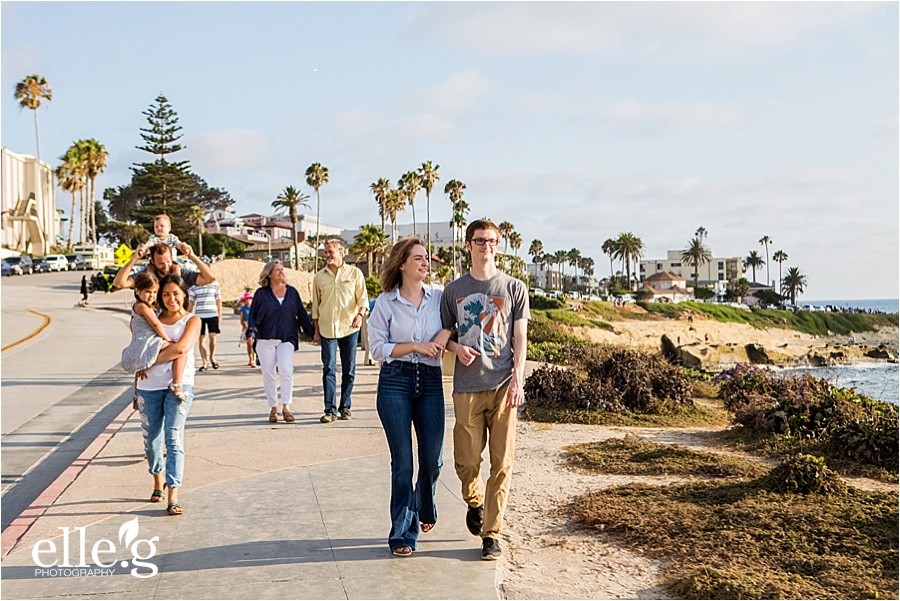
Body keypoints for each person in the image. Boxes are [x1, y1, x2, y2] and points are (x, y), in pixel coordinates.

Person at [440, 218, 530, 561]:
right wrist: (456, 348)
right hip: (467, 387)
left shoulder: (514, 288)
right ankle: (473, 499)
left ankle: (492, 533)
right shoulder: (453, 290)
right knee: (466, 460)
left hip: (504, 385)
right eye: (479, 241)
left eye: (492, 241)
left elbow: (520, 337)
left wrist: (519, 379)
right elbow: (443, 334)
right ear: (468, 245)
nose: (486, 246)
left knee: (502, 462)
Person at [367, 238, 447, 557]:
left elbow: (452, 326)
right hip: (394, 382)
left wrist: (440, 339)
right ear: (402, 264)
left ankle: (424, 505)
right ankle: (402, 532)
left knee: (432, 460)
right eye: (418, 258)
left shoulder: (439, 297)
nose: (424, 263)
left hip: (429, 380)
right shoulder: (386, 302)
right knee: (403, 463)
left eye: (426, 258)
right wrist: (415, 346)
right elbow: (376, 349)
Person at [135, 273, 200, 516]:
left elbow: (181, 348)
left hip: (180, 386)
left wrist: (146, 361)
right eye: (165, 294)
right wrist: (140, 363)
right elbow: (136, 345)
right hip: (148, 387)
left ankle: (173, 494)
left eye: (175, 293)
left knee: (173, 438)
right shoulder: (148, 319)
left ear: (184, 294)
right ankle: (156, 480)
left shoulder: (192, 321)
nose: (171, 298)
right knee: (152, 441)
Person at [247, 260, 314, 423]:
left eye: (282, 270)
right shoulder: (261, 294)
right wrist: (250, 333)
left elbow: (301, 313)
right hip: (264, 339)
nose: (281, 272)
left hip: (287, 337)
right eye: (278, 270)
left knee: (286, 370)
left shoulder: (292, 292)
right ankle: (273, 408)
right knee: (268, 374)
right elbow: (253, 316)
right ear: (269, 274)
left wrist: (312, 333)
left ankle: (286, 406)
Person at [311, 238, 369, 423]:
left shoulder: (355, 273)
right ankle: (330, 410)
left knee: (349, 370)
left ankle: (345, 407)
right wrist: (316, 331)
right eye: (325, 252)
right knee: (328, 369)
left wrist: (360, 316)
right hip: (327, 328)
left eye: (330, 252)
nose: (327, 255)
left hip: (349, 328)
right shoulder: (319, 277)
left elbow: (363, 300)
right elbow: (315, 306)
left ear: (340, 252)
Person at [121, 271, 189, 402]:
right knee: (179, 351)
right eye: (147, 291)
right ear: (137, 290)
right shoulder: (143, 307)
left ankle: (136, 394)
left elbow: (133, 326)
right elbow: (156, 324)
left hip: (140, 341)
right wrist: (166, 339)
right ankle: (177, 383)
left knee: (141, 368)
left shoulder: (139, 306)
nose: (151, 296)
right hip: (148, 340)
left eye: (154, 292)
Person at [113, 241, 216, 291]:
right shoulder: (146, 276)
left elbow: (210, 278)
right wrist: (134, 258)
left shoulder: (182, 273)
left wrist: (192, 256)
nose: (166, 266)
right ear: (153, 261)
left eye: (168, 261)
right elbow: (119, 283)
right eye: (161, 263)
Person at [188, 281, 222, 371]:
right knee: (201, 338)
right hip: (200, 315)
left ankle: (212, 358)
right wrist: (187, 316)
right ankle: (204, 362)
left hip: (212, 314)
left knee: (213, 337)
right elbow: (191, 302)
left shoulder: (215, 284)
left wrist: (220, 314)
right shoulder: (194, 285)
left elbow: (218, 300)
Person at [238, 291, 256, 367]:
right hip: (247, 326)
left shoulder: (255, 308)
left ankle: (255, 359)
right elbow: (241, 320)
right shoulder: (243, 309)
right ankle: (251, 359)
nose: (248, 300)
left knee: (254, 343)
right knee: (249, 343)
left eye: (250, 299)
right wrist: (245, 327)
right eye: (247, 299)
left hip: (254, 326)